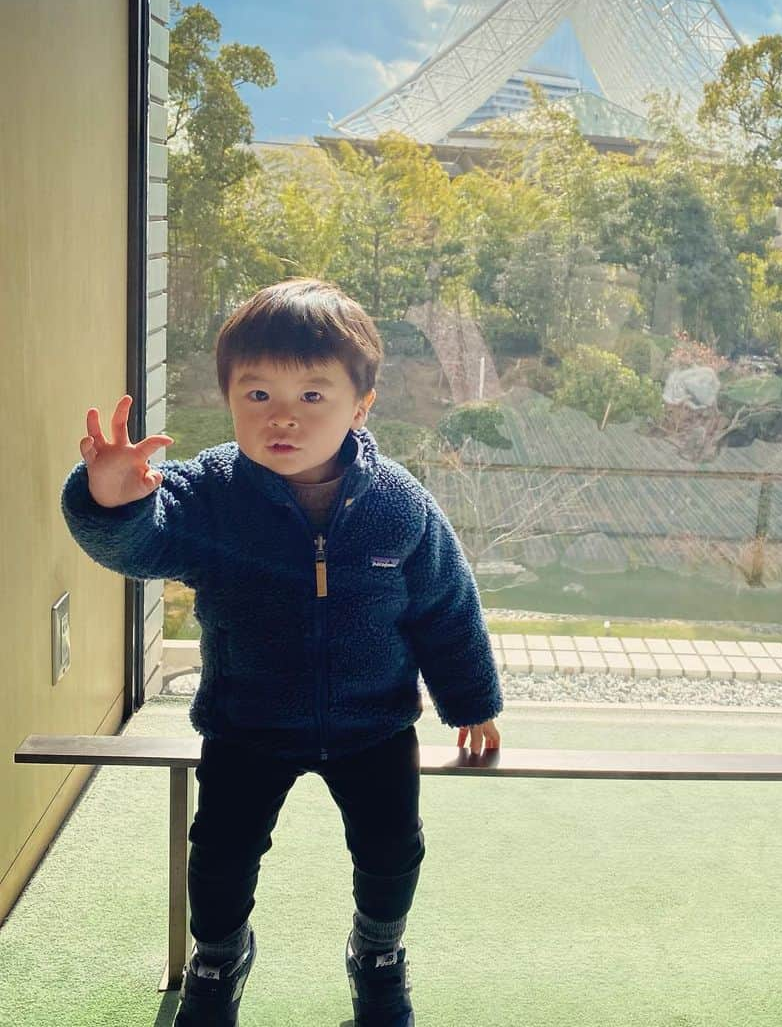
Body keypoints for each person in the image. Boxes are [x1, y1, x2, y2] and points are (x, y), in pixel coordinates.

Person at [60, 278, 503, 1027]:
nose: (283, 417)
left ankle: (379, 953)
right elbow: (141, 541)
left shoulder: (399, 505)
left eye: (312, 396)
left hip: (373, 724)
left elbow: (446, 608)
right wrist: (112, 497)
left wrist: (473, 700)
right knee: (222, 856)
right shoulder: (211, 493)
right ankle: (219, 955)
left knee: (393, 850)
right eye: (258, 394)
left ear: (361, 406)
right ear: (231, 398)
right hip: (248, 720)